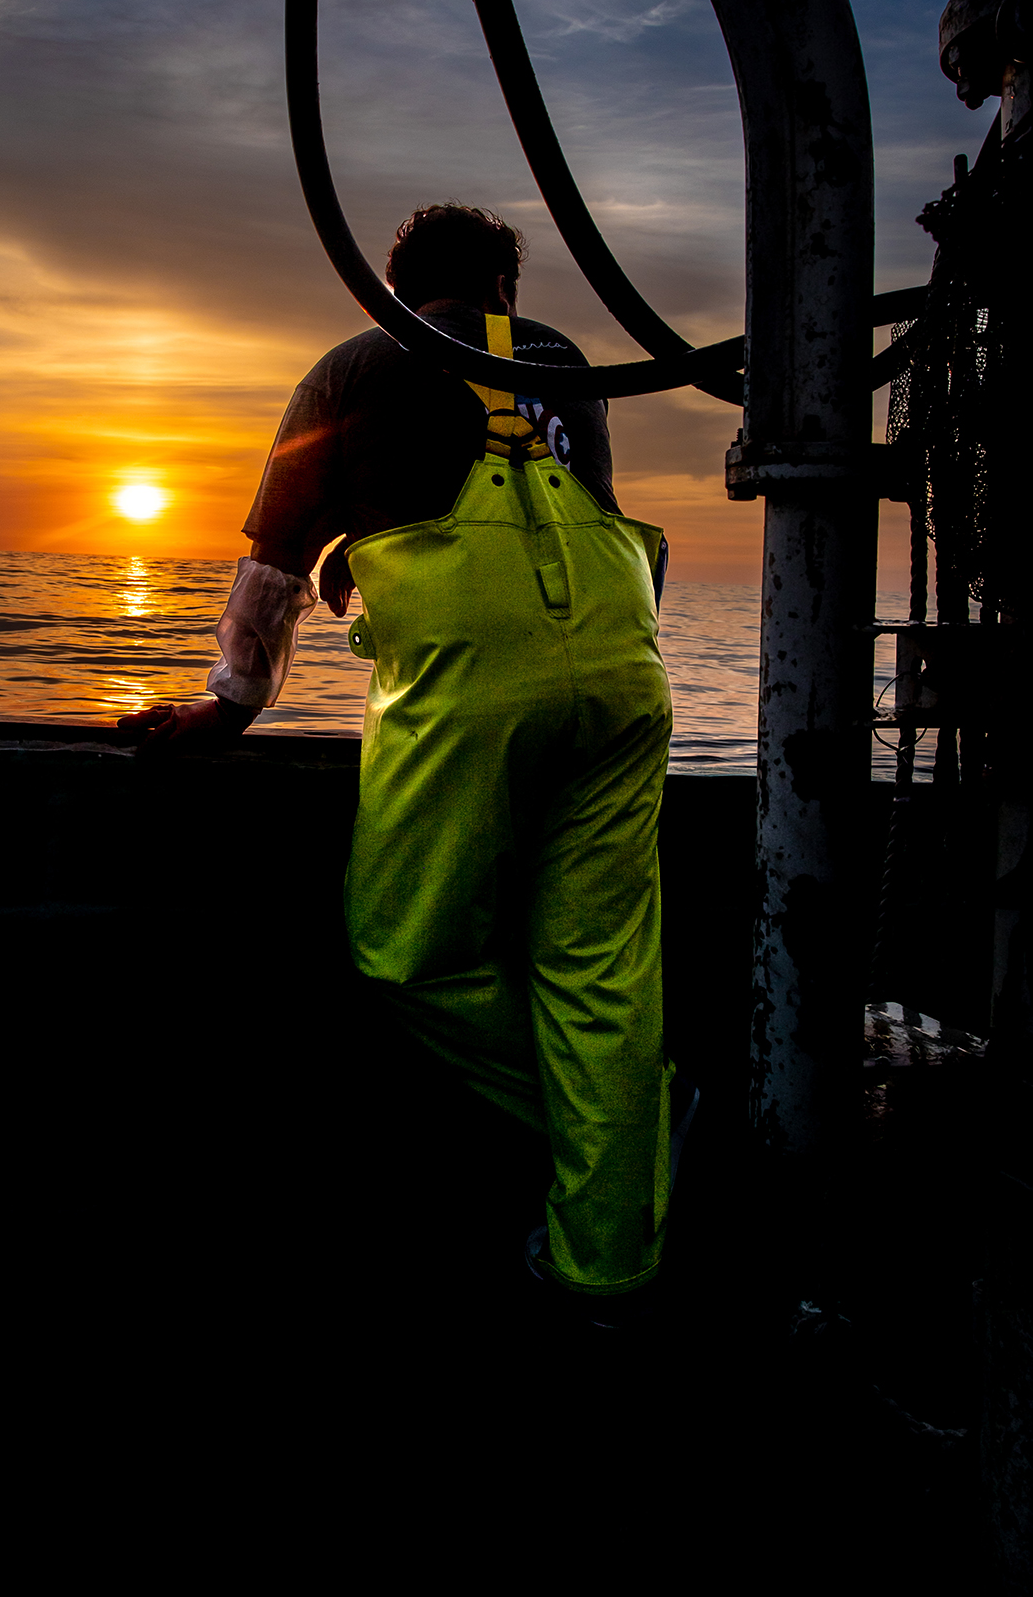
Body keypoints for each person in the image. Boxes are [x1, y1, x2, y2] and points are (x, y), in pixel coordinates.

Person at [124, 204, 679, 1322]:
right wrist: (364, 531)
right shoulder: (563, 362)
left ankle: (631, 1138)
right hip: (628, 670)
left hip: (481, 681)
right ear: (501, 287)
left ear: (392, 286)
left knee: (402, 950)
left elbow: (274, 566)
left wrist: (228, 710)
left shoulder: (353, 366)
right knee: (599, 973)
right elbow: (533, 503)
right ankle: (604, 1258)